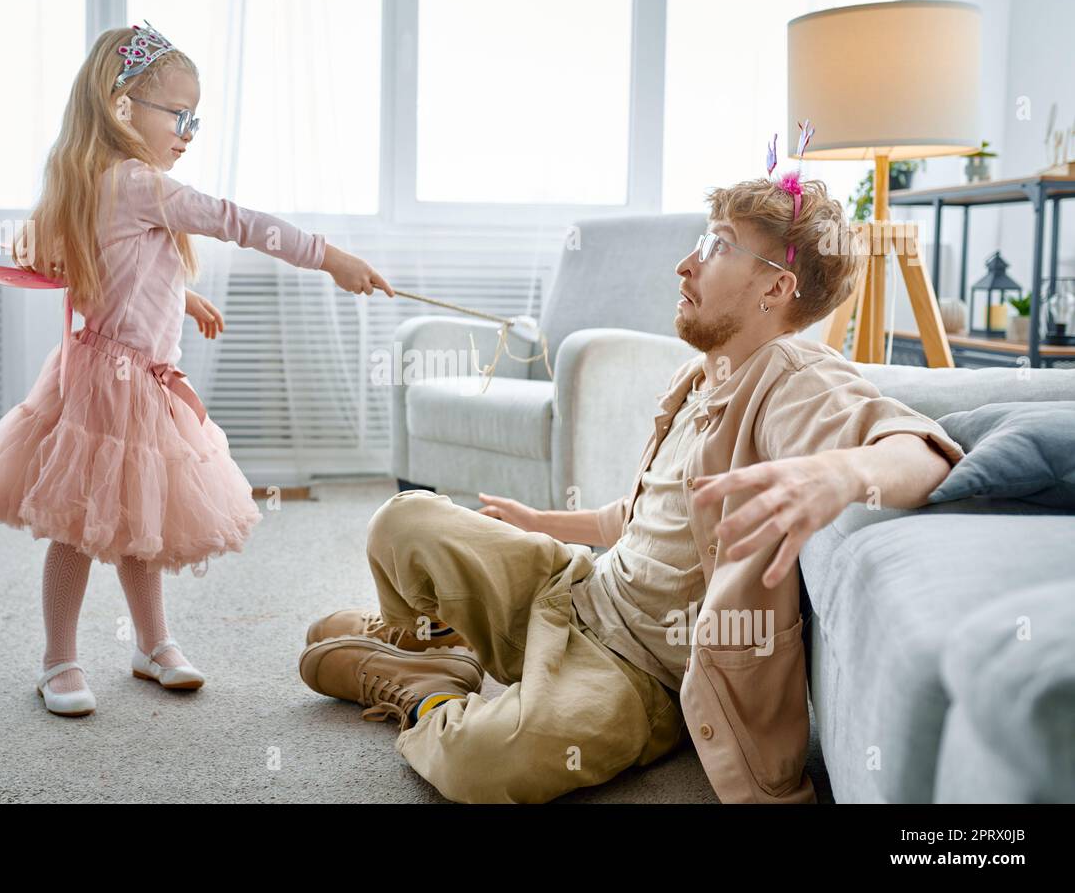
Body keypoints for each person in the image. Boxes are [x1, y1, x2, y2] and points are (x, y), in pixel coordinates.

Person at [299, 173, 965, 803]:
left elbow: (920, 451)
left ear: (775, 288)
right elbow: (651, 520)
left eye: (717, 247)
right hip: (577, 587)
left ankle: (429, 689)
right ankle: (431, 638)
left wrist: (837, 472)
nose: (685, 264)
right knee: (403, 517)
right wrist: (544, 524)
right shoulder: (701, 374)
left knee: (485, 760)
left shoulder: (794, 375)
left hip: (636, 667)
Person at [0, 22, 392, 717]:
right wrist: (332, 258)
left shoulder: (109, 183)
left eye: (196, 117)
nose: (189, 131)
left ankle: (151, 643)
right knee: (81, 524)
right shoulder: (136, 183)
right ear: (122, 107)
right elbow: (236, 220)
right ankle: (57, 659)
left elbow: (113, 271)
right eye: (177, 115)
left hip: (137, 380)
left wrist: (178, 297)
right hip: (106, 385)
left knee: (138, 513)